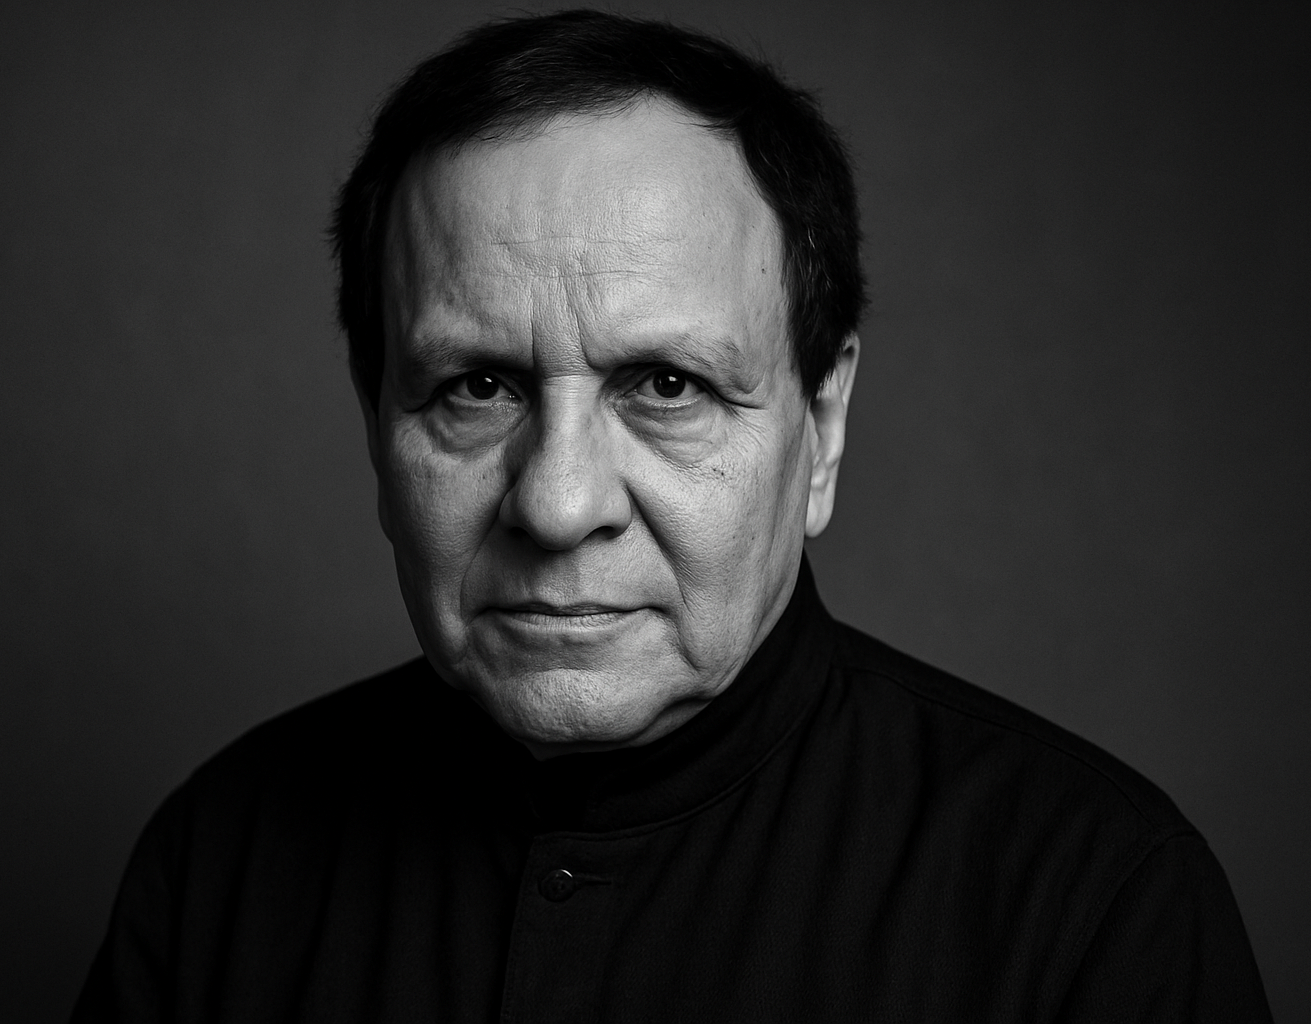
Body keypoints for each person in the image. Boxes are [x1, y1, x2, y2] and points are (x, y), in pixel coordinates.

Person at [72, 10, 1272, 1022]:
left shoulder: (1093, 908)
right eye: (476, 387)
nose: (558, 503)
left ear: (821, 425)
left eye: (665, 385)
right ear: (375, 421)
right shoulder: (218, 866)